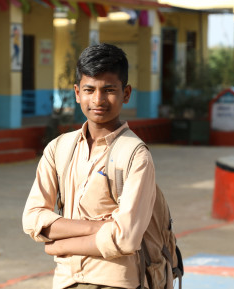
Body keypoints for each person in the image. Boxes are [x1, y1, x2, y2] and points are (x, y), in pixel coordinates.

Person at [22, 43, 156, 289]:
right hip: (65, 281)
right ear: (76, 93)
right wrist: (99, 227)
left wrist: (60, 244)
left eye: (109, 90)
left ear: (126, 93)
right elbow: (32, 218)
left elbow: (125, 238)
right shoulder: (59, 148)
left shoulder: (135, 155)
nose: (98, 100)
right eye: (89, 89)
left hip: (113, 282)